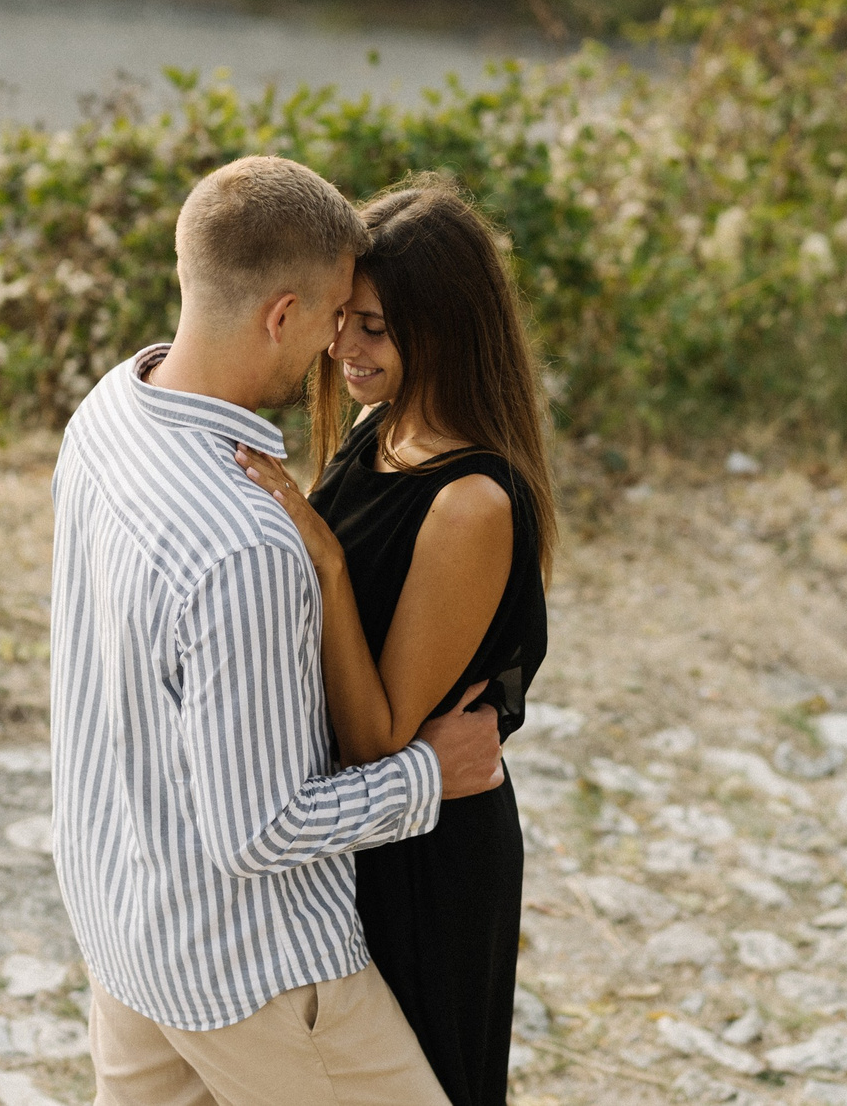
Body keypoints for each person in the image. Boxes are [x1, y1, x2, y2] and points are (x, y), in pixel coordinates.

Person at [48, 154, 504, 1106]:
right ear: (281, 314)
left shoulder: (105, 413)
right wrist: (432, 772)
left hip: (125, 922)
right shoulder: (243, 544)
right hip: (252, 969)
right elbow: (258, 828)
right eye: (340, 312)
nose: (341, 341)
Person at [235, 174, 554, 1106]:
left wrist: (322, 554)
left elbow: (377, 732)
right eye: (343, 318)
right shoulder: (381, 428)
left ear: (444, 328)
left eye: (374, 326)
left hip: (429, 860)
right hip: (364, 827)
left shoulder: (471, 502)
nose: (344, 347)